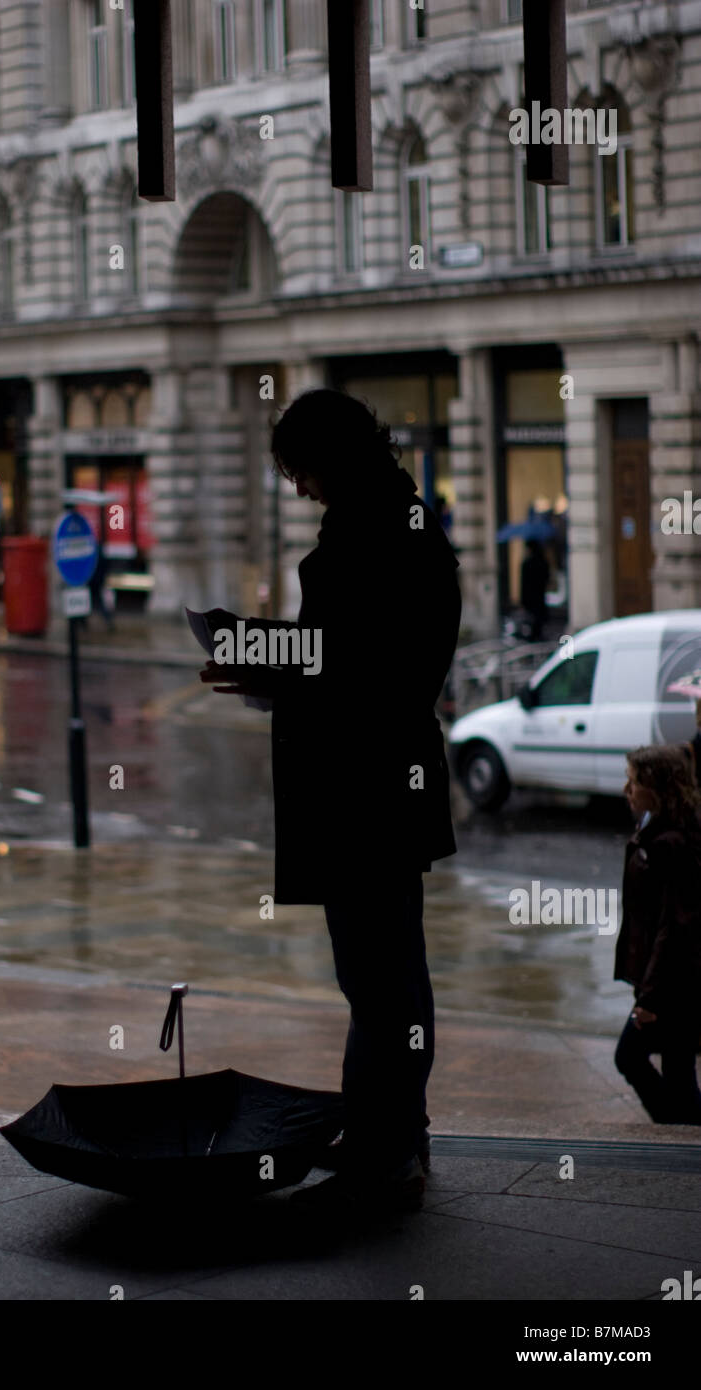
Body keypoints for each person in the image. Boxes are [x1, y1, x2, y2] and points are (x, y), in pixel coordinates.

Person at [199, 388, 462, 1213]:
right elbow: (356, 660)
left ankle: (384, 1150)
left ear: (331, 459)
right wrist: (268, 660)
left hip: (364, 790)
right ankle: (391, 1134)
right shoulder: (400, 523)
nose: (299, 489)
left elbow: (353, 670)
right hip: (384, 783)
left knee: (378, 980)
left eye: (300, 470)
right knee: (387, 975)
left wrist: (264, 664)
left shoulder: (372, 534)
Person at [614, 745, 701, 1125]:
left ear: (658, 788)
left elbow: (674, 928)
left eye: (633, 782)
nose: (625, 789)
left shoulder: (671, 845)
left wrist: (649, 997)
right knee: (679, 1076)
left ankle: (675, 1134)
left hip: (672, 988)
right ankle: (679, 1136)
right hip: (674, 984)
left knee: (629, 1056)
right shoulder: (658, 830)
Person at [519, 538, 550, 641]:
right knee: (538, 624)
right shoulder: (543, 562)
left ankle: (533, 642)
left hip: (530, 599)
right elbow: (547, 579)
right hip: (540, 598)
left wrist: (523, 601)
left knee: (532, 624)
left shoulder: (526, 563)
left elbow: (523, 584)